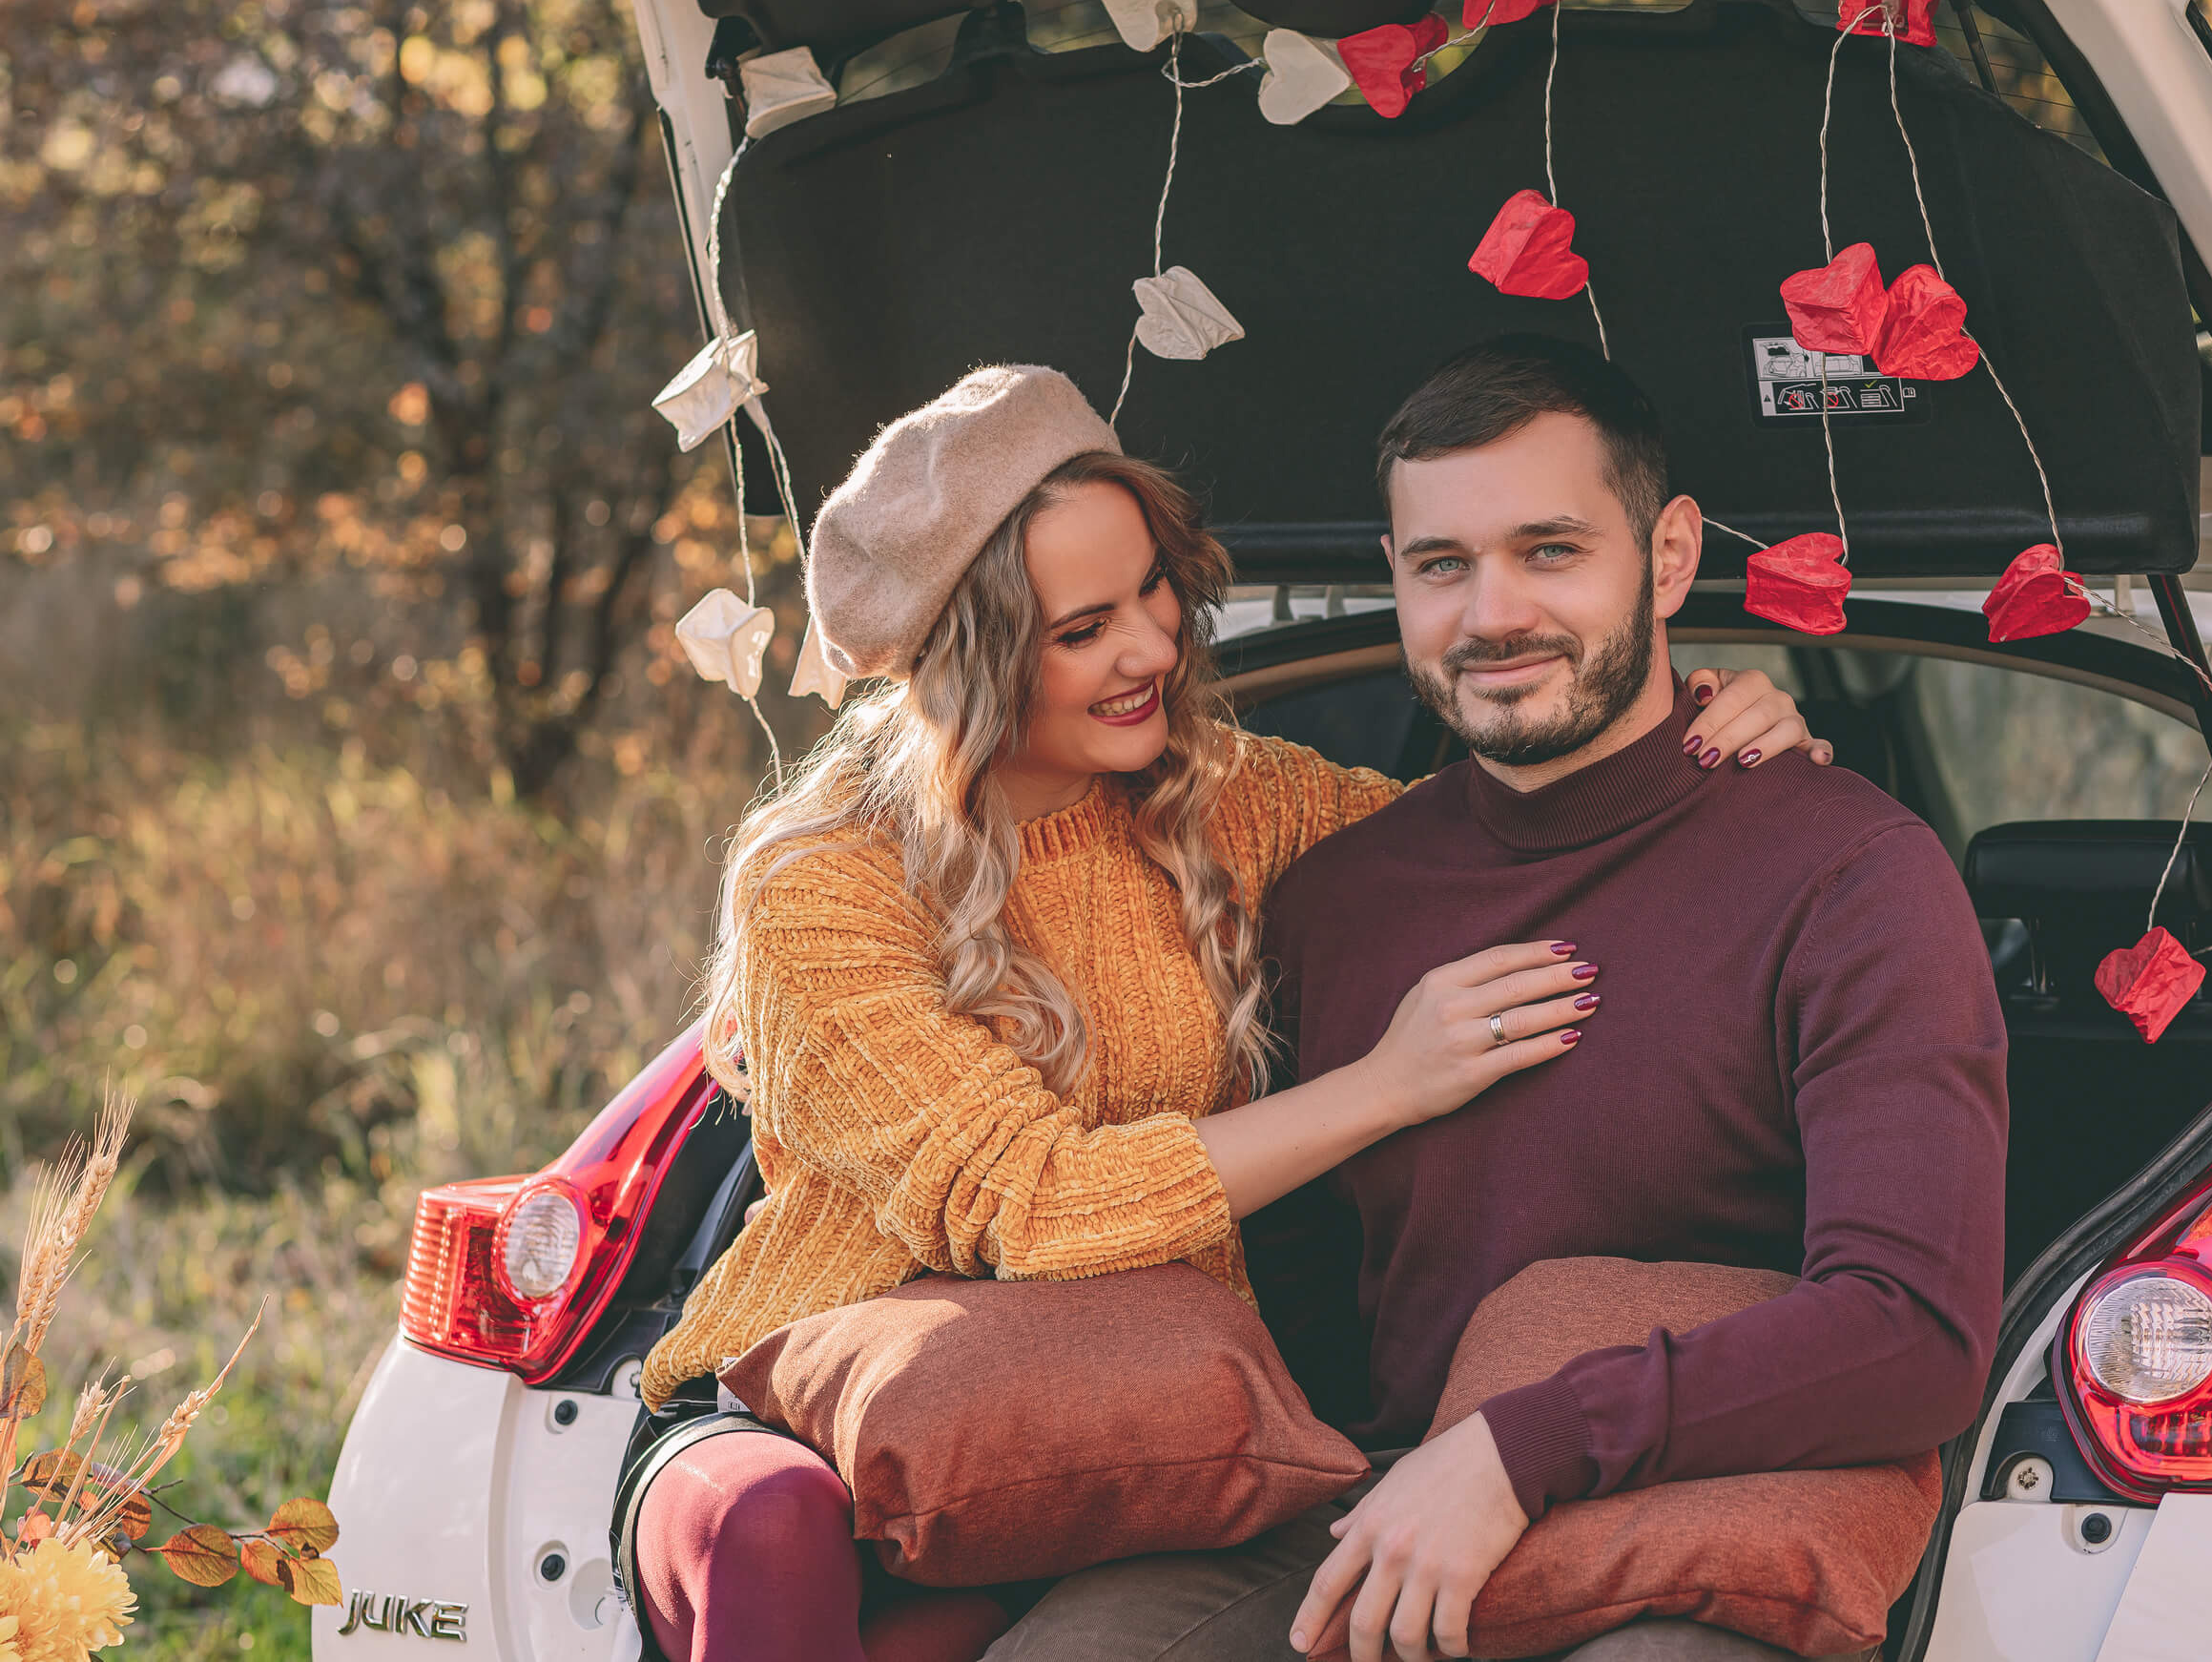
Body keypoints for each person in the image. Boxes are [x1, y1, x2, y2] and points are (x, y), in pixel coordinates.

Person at [629, 364, 1828, 1662]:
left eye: (1152, 587)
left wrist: (1699, 733)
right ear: (969, 662)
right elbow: (1026, 1203)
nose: (1152, 647)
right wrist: (1388, 1083)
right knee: (782, 1540)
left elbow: (1505, 842)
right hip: (842, 1423)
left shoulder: (1236, 801)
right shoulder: (824, 878)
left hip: (1164, 1438)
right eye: (1083, 631)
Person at [981, 337, 2010, 1662]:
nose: (1492, 615)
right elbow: (1296, 1301)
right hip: (1389, 1492)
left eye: (1552, 551)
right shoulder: (1335, 893)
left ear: (1673, 556)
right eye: (1442, 566)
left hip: (1702, 1501)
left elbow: (1915, 1335)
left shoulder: (1850, 873)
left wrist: (1519, 1454)